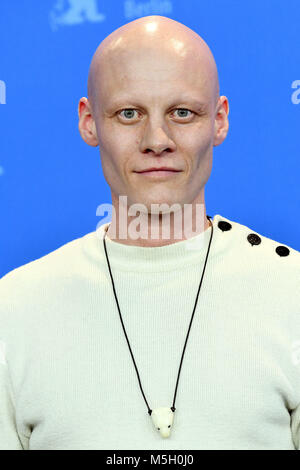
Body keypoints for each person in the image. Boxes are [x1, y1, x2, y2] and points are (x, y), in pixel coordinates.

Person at [0, 15, 299, 451]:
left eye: (182, 112)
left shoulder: (293, 293)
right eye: (128, 113)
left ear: (218, 121)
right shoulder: (15, 307)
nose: (156, 139)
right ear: (89, 123)